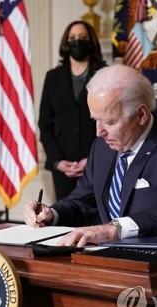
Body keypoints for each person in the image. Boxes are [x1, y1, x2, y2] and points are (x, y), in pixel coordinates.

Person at [24, 64, 157, 247]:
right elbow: (83, 201)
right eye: (95, 120)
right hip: (105, 263)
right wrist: (52, 213)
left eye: (109, 122)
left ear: (141, 115)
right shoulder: (101, 147)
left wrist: (115, 229)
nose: (99, 132)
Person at [38, 20, 106, 200]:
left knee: (95, 221)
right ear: (65, 43)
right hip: (63, 166)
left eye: (83, 37)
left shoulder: (105, 74)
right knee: (65, 219)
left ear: (91, 42)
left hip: (97, 163)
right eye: (73, 38)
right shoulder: (52, 77)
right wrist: (57, 161)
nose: (77, 41)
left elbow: (110, 121)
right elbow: (45, 124)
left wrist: (91, 159)